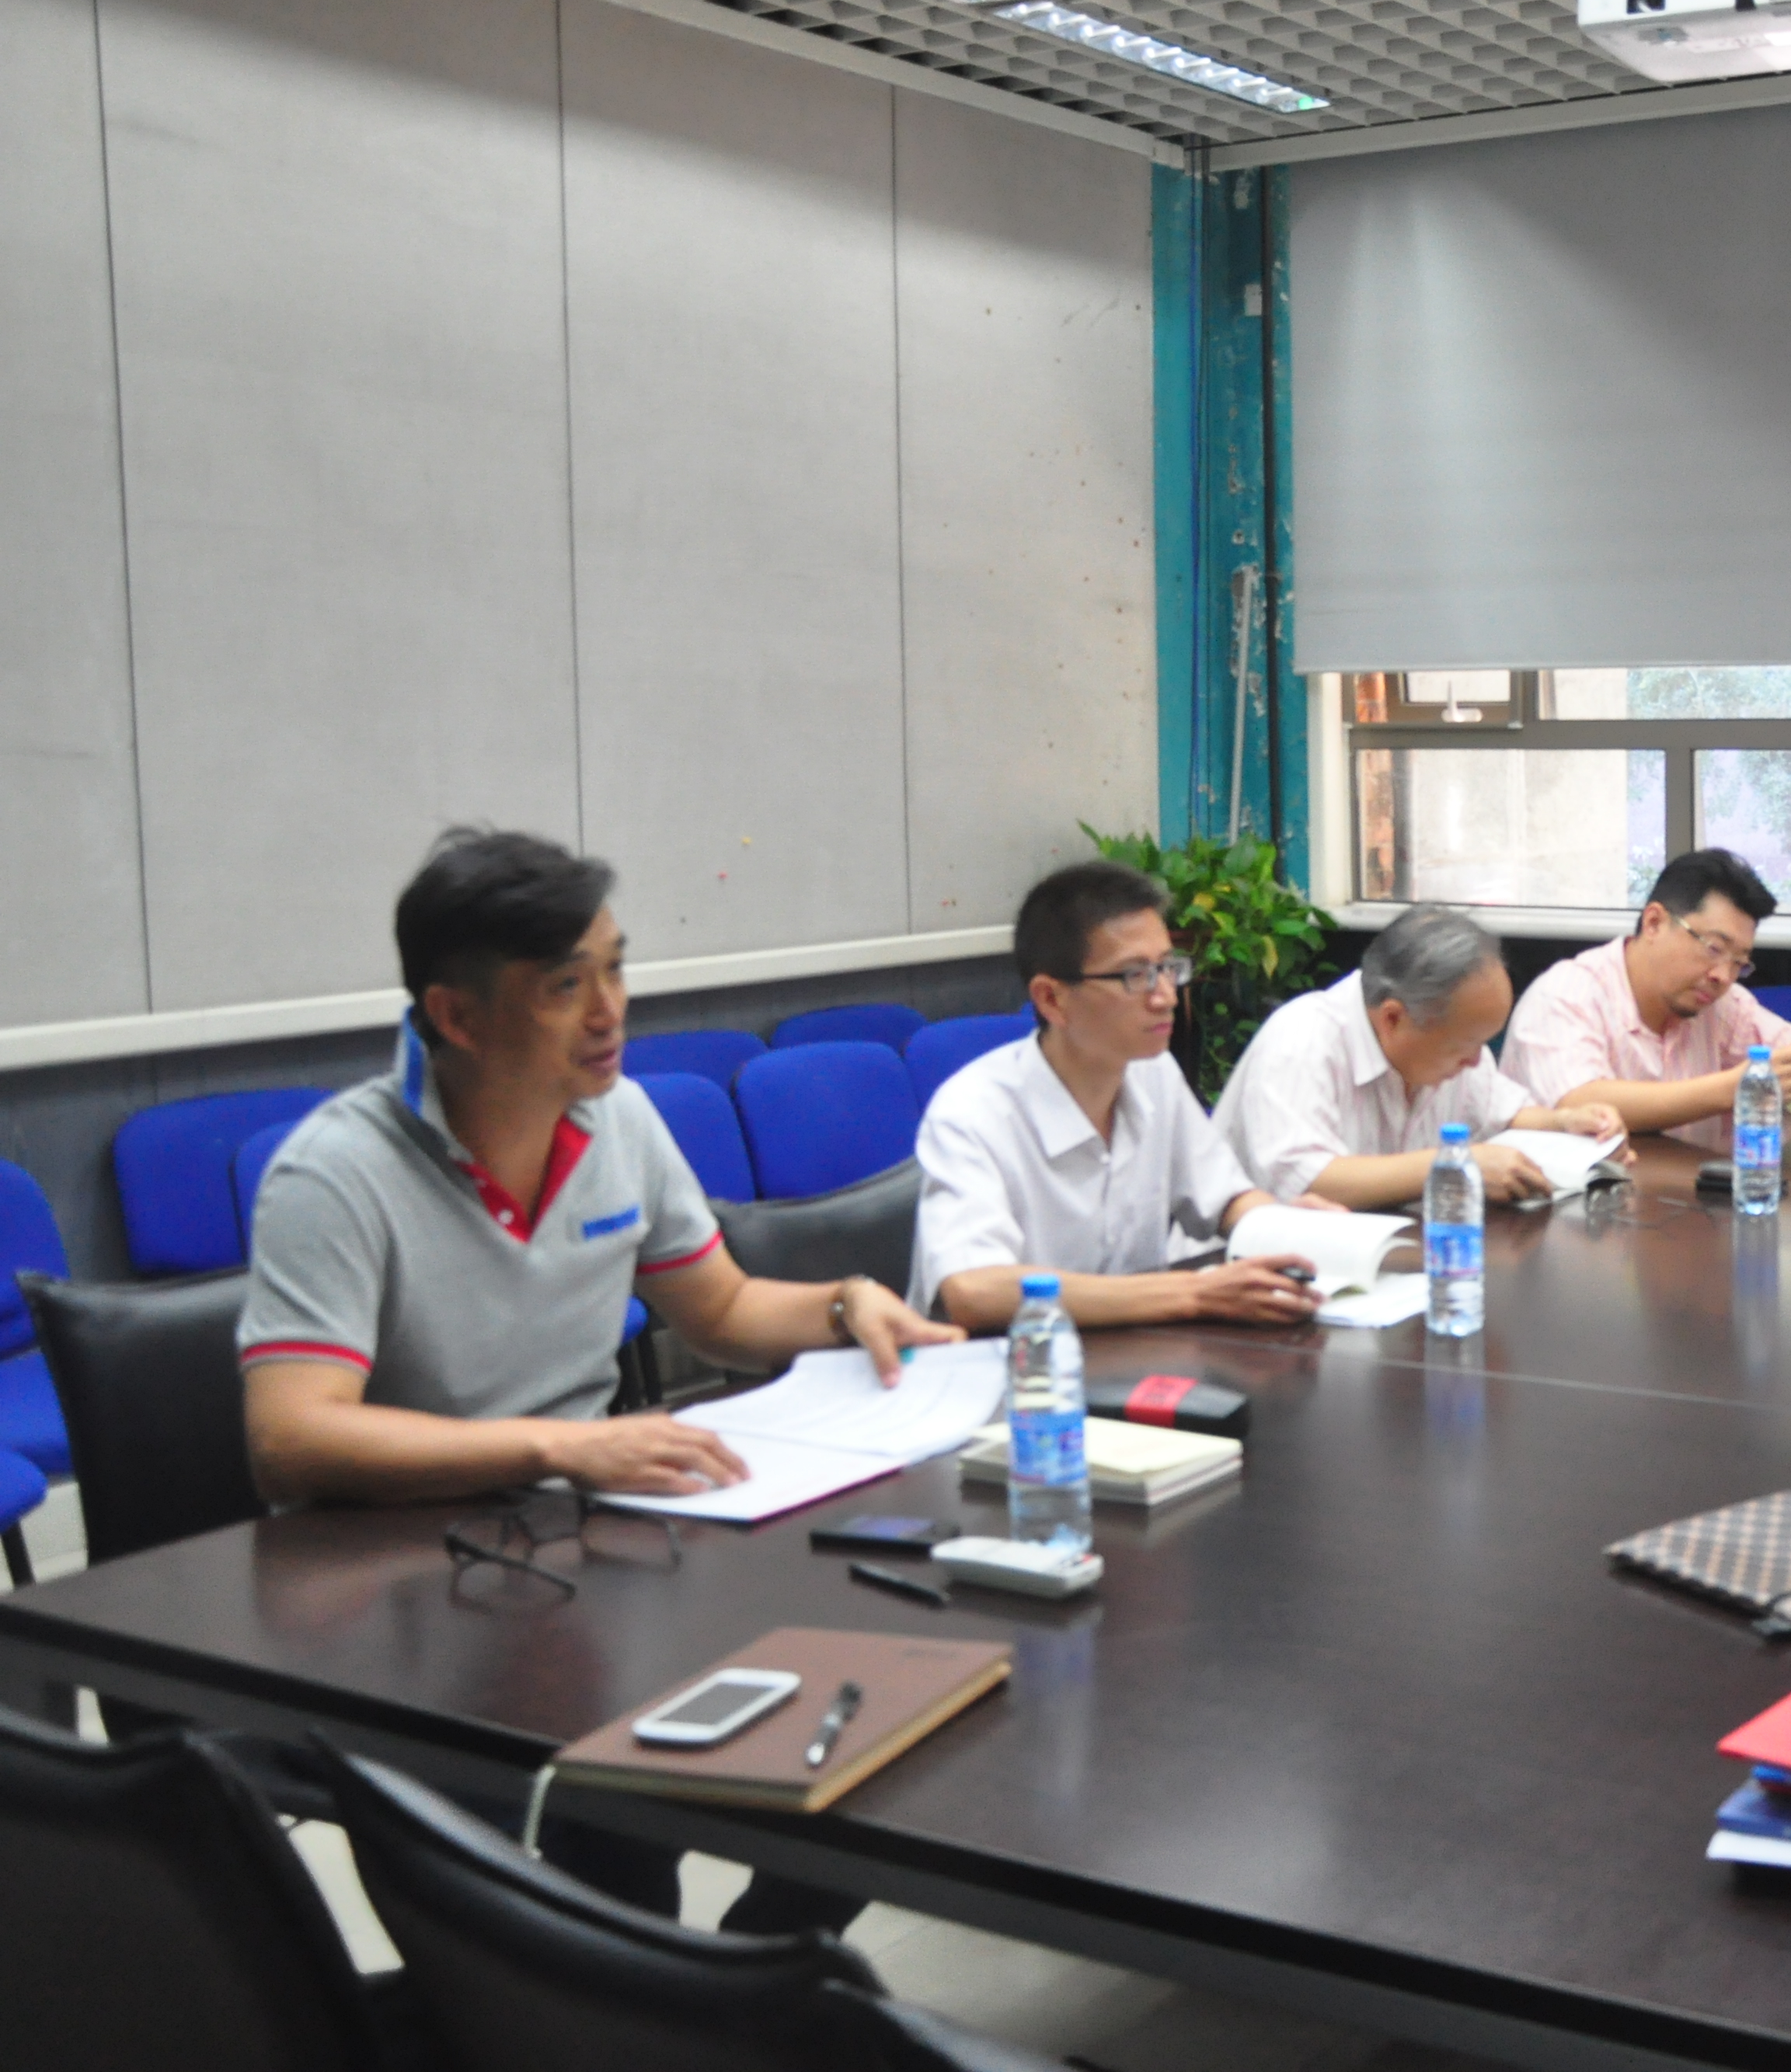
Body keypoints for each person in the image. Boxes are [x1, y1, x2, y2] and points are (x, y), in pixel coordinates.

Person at [241, 827, 958, 1934]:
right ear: (457, 1015)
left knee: (876, 1713)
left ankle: (732, 1977)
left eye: (616, 970)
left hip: (579, 1548)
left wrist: (842, 1304)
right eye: (565, 987)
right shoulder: (337, 1172)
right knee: (518, 1909)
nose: (610, 1011)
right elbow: (294, 1438)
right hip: (400, 1585)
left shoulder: (615, 1117)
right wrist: (563, 1444)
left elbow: (718, 1309)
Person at [911, 860, 1325, 1331]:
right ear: (1051, 998)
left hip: (1129, 1350)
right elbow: (973, 1290)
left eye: (1168, 968)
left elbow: (1225, 1199)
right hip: (1014, 1363)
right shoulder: (972, 1111)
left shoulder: (1152, 1072)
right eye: (1135, 975)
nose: (1166, 996)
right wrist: (1194, 1293)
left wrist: (1282, 1226)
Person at [1211, 904, 1626, 1209]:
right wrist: (1454, 1166)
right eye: (1464, 1046)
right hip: (1242, 1274)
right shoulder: (1302, 1040)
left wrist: (1565, 1122)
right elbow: (1307, 1181)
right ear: (1393, 1018)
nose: (1475, 1061)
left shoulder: (1448, 1041)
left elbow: (1502, 1112)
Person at [1502, 849, 1791, 1150]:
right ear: (1654, 923)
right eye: (1714, 949)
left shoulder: (1722, 1004)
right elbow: (1581, 1102)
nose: (1723, 976)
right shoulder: (1565, 994)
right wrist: (1732, 1088)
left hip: (1686, 1196)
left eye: (1738, 963)